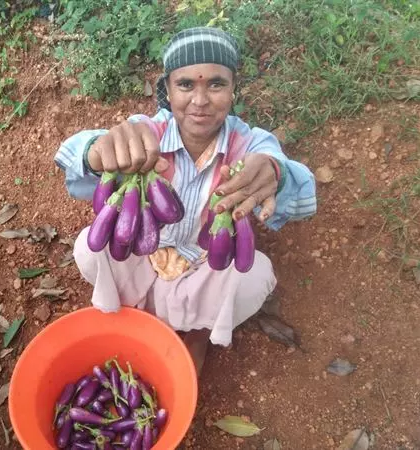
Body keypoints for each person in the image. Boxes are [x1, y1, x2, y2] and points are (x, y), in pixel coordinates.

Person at [54, 27, 317, 376]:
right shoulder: (146, 133)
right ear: (167, 89)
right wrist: (94, 152)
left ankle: (197, 333)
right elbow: (71, 153)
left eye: (216, 84)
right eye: (186, 85)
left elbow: (304, 196)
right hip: (142, 255)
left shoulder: (251, 144)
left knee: (255, 276)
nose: (200, 100)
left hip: (205, 263)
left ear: (233, 88)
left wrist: (276, 174)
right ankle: (140, 318)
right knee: (89, 249)